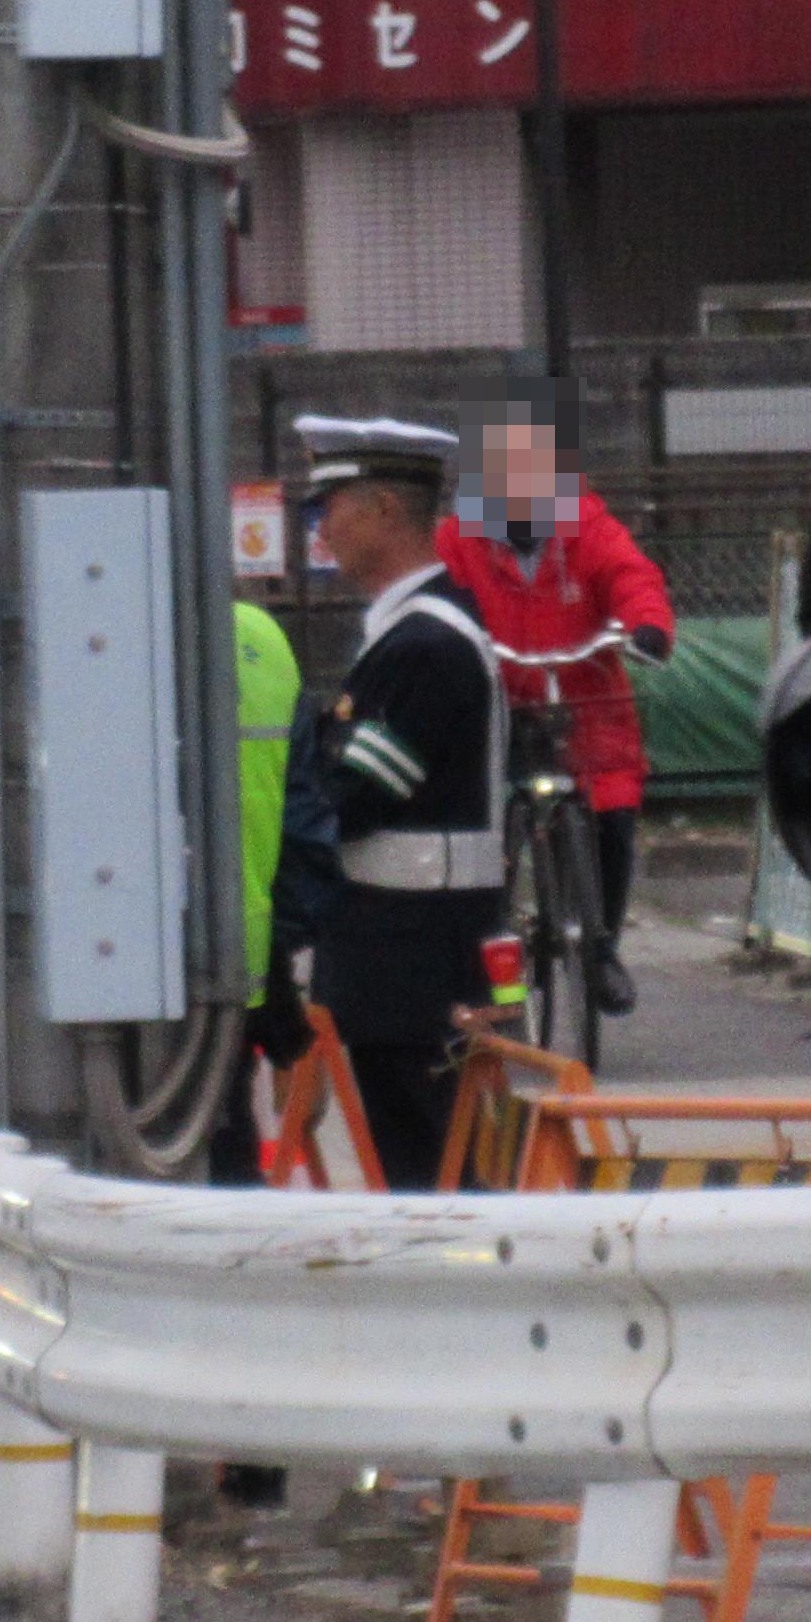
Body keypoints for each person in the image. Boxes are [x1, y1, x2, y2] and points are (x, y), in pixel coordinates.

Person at [250, 414, 505, 1189]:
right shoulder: (405, 637)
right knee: (425, 1164)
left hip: (416, 959)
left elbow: (352, 798)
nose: (320, 527)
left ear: (387, 511)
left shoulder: (424, 646)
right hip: (408, 954)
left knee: (434, 1172)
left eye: (332, 505)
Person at [436, 415, 676, 1019]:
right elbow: (435, 593)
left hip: (583, 701)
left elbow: (631, 576)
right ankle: (485, 958)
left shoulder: (587, 526)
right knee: (481, 827)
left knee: (614, 811)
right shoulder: (461, 540)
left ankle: (602, 947)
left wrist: (646, 627)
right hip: (500, 702)